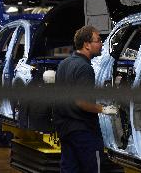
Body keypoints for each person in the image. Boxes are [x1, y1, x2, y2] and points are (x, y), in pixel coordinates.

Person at [54, 25, 118, 173]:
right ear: (87, 45)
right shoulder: (85, 68)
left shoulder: (64, 64)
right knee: (92, 168)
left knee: (70, 168)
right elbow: (81, 102)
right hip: (84, 131)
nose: (101, 44)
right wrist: (104, 109)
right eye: (98, 40)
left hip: (65, 128)